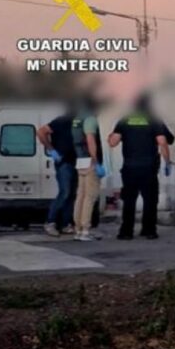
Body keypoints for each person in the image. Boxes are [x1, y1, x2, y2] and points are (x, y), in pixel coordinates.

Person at [108, 94, 172, 240]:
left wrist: (110, 136)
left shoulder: (124, 119)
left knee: (129, 200)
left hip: (130, 167)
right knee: (150, 199)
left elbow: (113, 142)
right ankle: (149, 230)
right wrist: (167, 162)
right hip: (148, 167)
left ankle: (126, 232)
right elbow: (162, 142)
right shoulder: (153, 119)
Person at [37, 104, 78, 237]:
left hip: (75, 162)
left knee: (71, 194)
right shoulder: (61, 121)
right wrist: (51, 150)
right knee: (64, 192)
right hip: (64, 162)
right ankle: (50, 222)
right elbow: (41, 132)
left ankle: (66, 224)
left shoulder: (78, 123)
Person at [70, 96, 105, 242]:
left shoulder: (77, 119)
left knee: (80, 196)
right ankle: (85, 230)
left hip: (80, 160)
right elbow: (90, 139)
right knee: (90, 197)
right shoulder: (90, 119)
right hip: (90, 161)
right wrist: (95, 161)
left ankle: (78, 229)